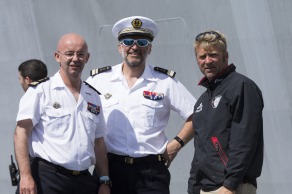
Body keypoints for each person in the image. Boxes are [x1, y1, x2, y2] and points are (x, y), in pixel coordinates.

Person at [86, 16, 196, 194]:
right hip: (109, 170)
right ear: (119, 47)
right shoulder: (98, 80)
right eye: (128, 41)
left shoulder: (164, 81)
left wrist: (176, 144)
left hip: (150, 173)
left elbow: (197, 114)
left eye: (142, 42)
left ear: (150, 48)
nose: (134, 47)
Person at [14, 33, 110, 194]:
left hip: (83, 182)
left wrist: (105, 180)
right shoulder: (41, 91)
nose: (75, 59)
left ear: (87, 58)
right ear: (57, 57)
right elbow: (21, 133)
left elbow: (98, 142)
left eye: (80, 54)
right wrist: (25, 176)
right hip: (48, 180)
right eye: (69, 53)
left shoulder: (93, 97)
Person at [184, 30, 264, 194]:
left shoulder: (241, 87)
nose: (207, 61)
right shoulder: (202, 101)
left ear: (225, 56)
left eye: (212, 55)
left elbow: (245, 140)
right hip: (206, 188)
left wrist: (230, 184)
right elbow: (199, 152)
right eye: (202, 57)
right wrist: (193, 188)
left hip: (232, 187)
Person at [14, 59, 48, 194]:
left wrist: (25, 176)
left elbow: (20, 134)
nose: (20, 82)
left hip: (39, 169)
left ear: (27, 80)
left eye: (20, 79)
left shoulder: (31, 95)